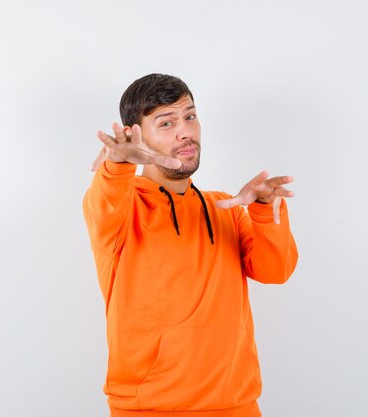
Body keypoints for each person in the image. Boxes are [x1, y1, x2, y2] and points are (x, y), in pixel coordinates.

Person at [83, 73, 298, 417]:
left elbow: (276, 271)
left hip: (237, 404)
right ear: (136, 135)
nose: (185, 131)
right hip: (149, 408)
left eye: (190, 116)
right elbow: (106, 195)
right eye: (166, 123)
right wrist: (118, 162)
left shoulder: (224, 207)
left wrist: (261, 210)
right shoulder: (124, 206)